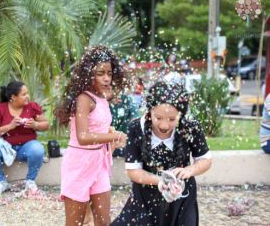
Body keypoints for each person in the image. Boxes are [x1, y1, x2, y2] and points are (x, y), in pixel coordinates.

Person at [111, 81, 212, 226]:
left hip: (182, 198)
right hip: (145, 199)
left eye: (172, 119)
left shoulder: (191, 126)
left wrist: (189, 170)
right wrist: (160, 181)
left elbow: (205, 160)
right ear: (149, 110)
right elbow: (133, 171)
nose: (164, 126)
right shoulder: (135, 127)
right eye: (158, 118)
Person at [54, 45, 127, 226]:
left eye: (109, 73)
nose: (106, 78)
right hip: (79, 164)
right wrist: (114, 136)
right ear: (89, 74)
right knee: (75, 223)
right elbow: (83, 136)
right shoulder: (83, 99)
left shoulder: (102, 97)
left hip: (99, 162)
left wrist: (109, 134)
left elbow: (99, 127)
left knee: (103, 221)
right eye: (100, 73)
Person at [0, 81, 49, 196]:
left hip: (26, 147)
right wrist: (10, 126)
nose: (27, 96)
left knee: (37, 149)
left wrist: (36, 125)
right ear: (13, 97)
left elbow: (46, 124)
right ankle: (1, 181)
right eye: (24, 94)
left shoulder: (32, 107)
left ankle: (30, 181)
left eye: (27, 93)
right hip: (5, 148)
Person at [110, 92, 138, 157]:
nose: (118, 98)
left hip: (124, 139)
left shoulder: (128, 100)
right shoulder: (105, 102)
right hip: (110, 141)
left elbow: (134, 117)